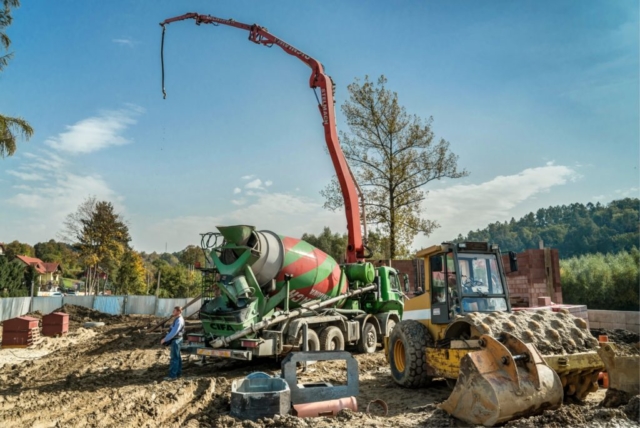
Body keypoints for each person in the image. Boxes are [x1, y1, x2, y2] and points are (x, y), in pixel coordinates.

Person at [160, 306, 185, 381]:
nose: (173, 312)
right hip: (177, 339)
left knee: (174, 358)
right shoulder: (177, 319)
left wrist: (165, 339)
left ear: (179, 312)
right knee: (177, 357)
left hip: (176, 340)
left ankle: (172, 376)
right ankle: (178, 373)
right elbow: (172, 329)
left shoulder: (179, 320)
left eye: (174, 311)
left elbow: (174, 332)